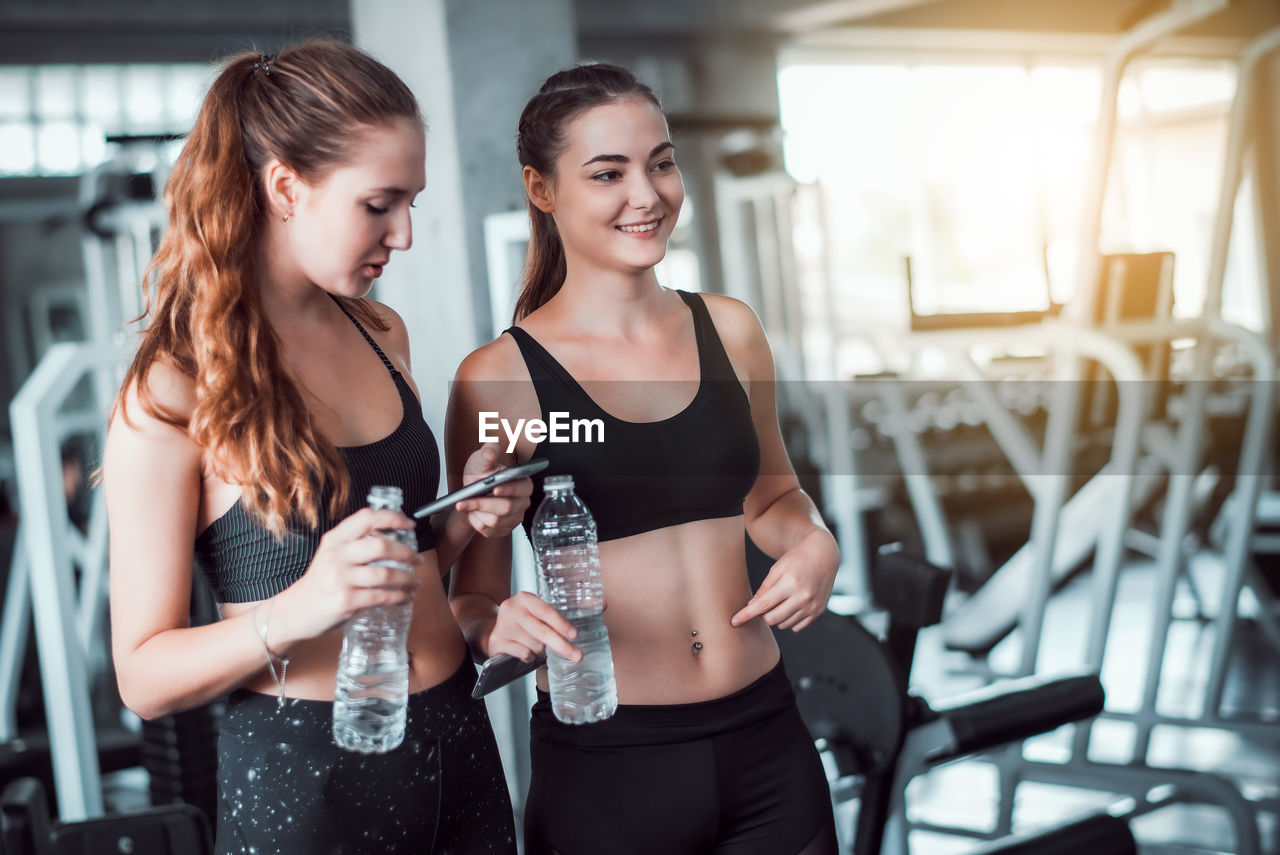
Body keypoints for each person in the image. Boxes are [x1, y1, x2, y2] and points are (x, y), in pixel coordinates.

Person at [103, 41, 525, 855]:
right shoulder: (174, 389)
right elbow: (143, 676)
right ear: (287, 188)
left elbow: (406, 573)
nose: (403, 234)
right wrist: (302, 605)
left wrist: (465, 521)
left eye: (412, 203)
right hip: (308, 780)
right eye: (379, 203)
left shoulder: (381, 333)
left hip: (457, 742)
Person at [446, 63, 841, 855]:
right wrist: (495, 627)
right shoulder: (497, 377)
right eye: (608, 173)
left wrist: (816, 543)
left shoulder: (729, 329)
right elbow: (470, 598)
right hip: (611, 766)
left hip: (767, 739)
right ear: (542, 188)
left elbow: (772, 499)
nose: (647, 194)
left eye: (660, 163)